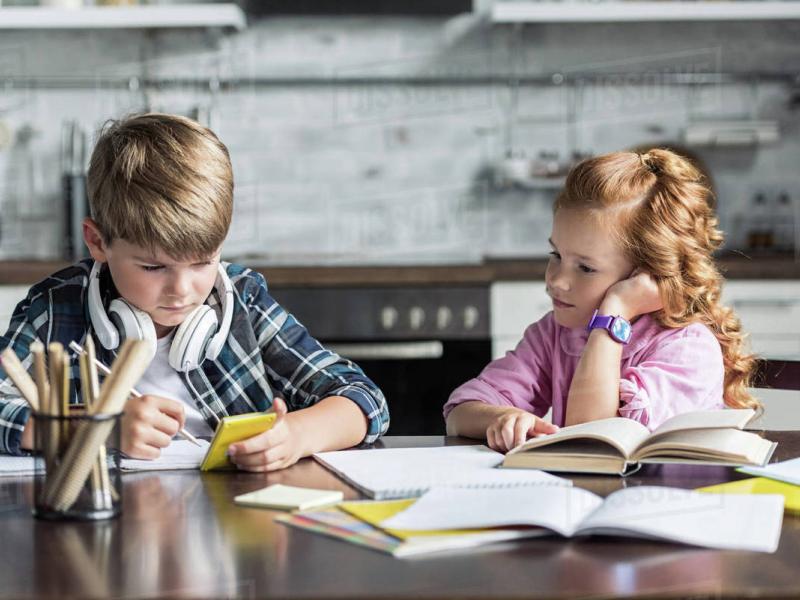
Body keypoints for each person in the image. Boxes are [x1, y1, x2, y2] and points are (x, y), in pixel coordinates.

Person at [0, 113, 389, 470]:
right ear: (97, 242)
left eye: (204, 262)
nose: (182, 291)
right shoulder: (54, 308)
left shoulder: (242, 301)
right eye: (153, 267)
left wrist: (297, 435)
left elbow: (363, 399)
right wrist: (96, 428)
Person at [445, 149, 758, 452]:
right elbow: (460, 414)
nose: (556, 279)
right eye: (556, 255)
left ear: (648, 274)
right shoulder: (555, 333)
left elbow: (593, 440)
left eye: (585, 268)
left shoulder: (688, 349)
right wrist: (501, 417)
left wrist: (614, 312)